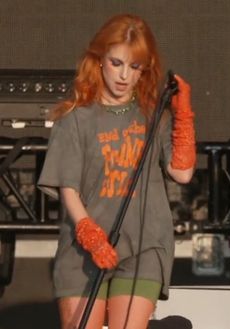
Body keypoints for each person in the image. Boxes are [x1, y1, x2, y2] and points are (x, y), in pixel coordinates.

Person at [38, 13, 196, 329]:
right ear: (98, 60)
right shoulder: (75, 120)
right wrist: (88, 232)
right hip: (84, 250)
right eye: (116, 63)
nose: (124, 75)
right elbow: (68, 187)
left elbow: (182, 174)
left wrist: (184, 117)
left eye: (134, 67)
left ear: (144, 70)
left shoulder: (155, 117)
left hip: (144, 246)